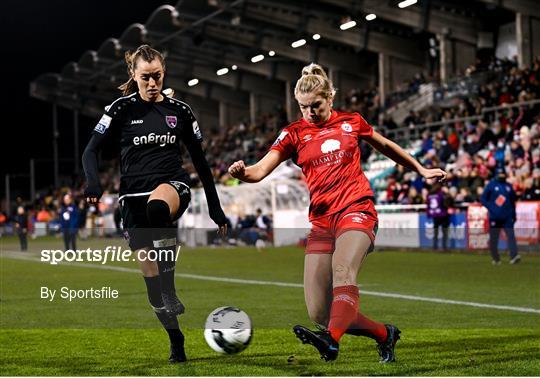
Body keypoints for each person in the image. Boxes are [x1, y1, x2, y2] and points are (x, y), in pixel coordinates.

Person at [228, 63, 446, 363]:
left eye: (315, 105)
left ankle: (331, 342)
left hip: (357, 209)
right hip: (322, 221)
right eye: (303, 107)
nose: (309, 112)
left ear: (329, 97)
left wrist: (419, 168)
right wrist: (243, 173)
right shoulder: (293, 133)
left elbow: (385, 145)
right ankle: (385, 334)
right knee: (320, 312)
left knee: (343, 270)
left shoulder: (351, 122)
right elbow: (260, 170)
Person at [82, 44, 228, 363]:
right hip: (131, 198)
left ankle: (170, 288)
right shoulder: (120, 109)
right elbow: (89, 150)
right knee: (151, 284)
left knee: (159, 208)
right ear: (133, 75)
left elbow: (201, 163)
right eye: (145, 77)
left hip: (171, 186)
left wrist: (215, 208)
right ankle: (176, 338)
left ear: (164, 74)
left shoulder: (180, 111)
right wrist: (92, 182)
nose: (152, 83)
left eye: (157, 76)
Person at [480, 167, 520, 265]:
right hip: (495, 217)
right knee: (494, 238)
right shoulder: (491, 185)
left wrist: (514, 215)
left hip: (507, 217)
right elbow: (483, 199)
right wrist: (491, 207)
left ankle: (514, 256)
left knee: (511, 236)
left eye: (503, 174)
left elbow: (512, 201)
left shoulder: (508, 186)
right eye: (500, 174)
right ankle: (496, 258)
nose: (502, 176)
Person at [426, 182, 453, 250]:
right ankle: (444, 247)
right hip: (443, 214)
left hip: (435, 215)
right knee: (444, 232)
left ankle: (435, 246)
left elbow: (428, 205)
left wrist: (429, 214)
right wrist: (448, 193)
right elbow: (447, 202)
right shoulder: (441, 193)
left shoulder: (430, 194)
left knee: (436, 232)